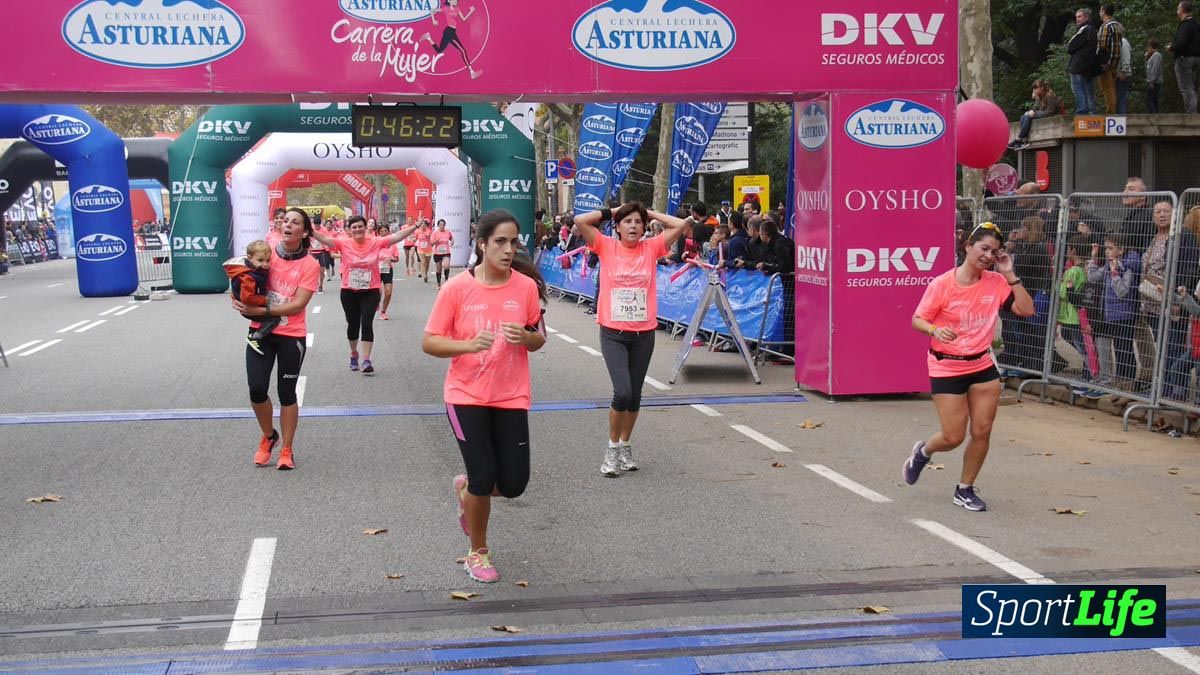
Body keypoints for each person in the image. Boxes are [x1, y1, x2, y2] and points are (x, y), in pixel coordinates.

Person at [422, 209, 546, 583]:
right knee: (483, 475)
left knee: (513, 484)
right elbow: (430, 342)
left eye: (514, 242)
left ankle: (467, 493)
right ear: (482, 244)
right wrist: (466, 345)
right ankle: (477, 552)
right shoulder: (456, 288)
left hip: (511, 395)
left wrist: (527, 338)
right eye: (500, 242)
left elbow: (539, 337)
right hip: (465, 395)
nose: (508, 250)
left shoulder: (525, 287)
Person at [904, 222, 1036, 511]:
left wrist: (1010, 274)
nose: (988, 256)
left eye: (994, 251)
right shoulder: (942, 284)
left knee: (982, 430)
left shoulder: (997, 282)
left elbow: (1026, 310)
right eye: (984, 248)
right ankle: (923, 451)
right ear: (968, 247)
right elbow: (917, 319)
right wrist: (935, 330)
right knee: (953, 437)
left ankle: (964, 489)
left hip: (982, 365)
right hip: (947, 366)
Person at [573, 202, 688, 476]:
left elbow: (681, 224)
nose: (633, 226)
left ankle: (625, 444)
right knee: (622, 392)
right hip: (613, 333)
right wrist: (616, 211)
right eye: (627, 222)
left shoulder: (652, 247)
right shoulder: (606, 246)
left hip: (643, 334)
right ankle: (612, 448)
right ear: (617, 227)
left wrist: (648, 213)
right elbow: (580, 221)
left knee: (635, 395)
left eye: (638, 222)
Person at [233, 208, 322, 471]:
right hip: (261, 332)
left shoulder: (310, 264)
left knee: (286, 393)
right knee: (257, 389)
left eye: (295, 222)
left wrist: (263, 311)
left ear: (304, 232)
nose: (288, 225)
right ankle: (269, 436)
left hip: (290, 335)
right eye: (285, 221)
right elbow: (241, 273)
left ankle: (287, 448)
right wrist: (236, 296)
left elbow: (297, 305)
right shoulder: (267, 250)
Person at [311, 215, 419, 375]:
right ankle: (354, 353)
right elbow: (324, 239)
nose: (357, 229)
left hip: (371, 291)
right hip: (349, 291)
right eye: (354, 227)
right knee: (353, 325)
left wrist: (415, 226)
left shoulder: (375, 242)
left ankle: (366, 360)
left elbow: (397, 237)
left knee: (367, 323)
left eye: (360, 226)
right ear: (349, 230)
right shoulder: (343, 243)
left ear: (365, 227)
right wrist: (308, 228)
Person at [1087, 234, 1141, 389]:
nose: (1106, 251)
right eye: (1106, 248)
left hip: (1124, 314)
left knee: (1125, 348)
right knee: (1118, 348)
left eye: (1110, 248)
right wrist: (1093, 257)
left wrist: (1114, 273)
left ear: (1121, 250)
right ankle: (1120, 381)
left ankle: (1128, 382)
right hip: (1110, 313)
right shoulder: (1108, 264)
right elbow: (1092, 277)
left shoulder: (1127, 267)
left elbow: (1122, 291)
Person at [224, 240, 282, 356]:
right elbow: (247, 298)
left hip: (247, 303)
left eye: (268, 260)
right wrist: (265, 300)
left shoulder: (253, 270)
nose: (265, 264)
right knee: (275, 318)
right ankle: (256, 337)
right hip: (247, 307)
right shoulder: (249, 277)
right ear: (249, 258)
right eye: (260, 260)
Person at [419, 0, 483, 79]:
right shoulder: (446, 9)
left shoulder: (457, 9)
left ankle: (428, 37)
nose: (456, 0)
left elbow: (463, 19)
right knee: (463, 51)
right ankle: (472, 72)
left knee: (439, 50)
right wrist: (433, 20)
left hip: (451, 32)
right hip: (449, 32)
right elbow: (432, 10)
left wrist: (471, 11)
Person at [1008, 81, 1061, 151]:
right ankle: (1023, 141)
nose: (1034, 90)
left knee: (1028, 116)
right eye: (1033, 89)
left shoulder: (1049, 95)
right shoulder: (1038, 96)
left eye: (1036, 88)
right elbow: (1035, 108)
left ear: (1042, 87)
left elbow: (1050, 112)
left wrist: (1034, 112)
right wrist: (1031, 110)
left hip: (1051, 115)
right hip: (1043, 113)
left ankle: (1019, 139)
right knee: (1024, 116)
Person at [1068, 7, 1100, 114]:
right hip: (1088, 66)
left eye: (1079, 17)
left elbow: (1071, 46)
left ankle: (1082, 112)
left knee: (1078, 89)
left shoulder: (1085, 29)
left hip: (1079, 65)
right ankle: (1092, 113)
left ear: (1086, 17)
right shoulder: (1093, 30)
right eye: (1076, 17)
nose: (1077, 19)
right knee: (1088, 90)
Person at [1171, 1, 1200, 113]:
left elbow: (1181, 43)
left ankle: (1191, 114)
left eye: (1178, 8)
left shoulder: (1185, 25)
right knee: (1192, 86)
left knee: (1186, 87)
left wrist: (1172, 47)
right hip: (1196, 58)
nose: (1177, 11)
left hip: (1184, 58)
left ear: (1182, 10)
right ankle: (1193, 112)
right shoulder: (1197, 24)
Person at [1096, 4, 1124, 114]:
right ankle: (1112, 110)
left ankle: (1110, 113)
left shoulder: (1106, 26)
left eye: (1100, 11)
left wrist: (1100, 61)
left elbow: (1102, 46)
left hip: (1105, 63)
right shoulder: (1118, 26)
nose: (1099, 13)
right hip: (1115, 62)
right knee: (1111, 88)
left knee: (1107, 89)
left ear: (1103, 12)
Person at [377, 224, 400, 320]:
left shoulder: (392, 244)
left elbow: (397, 259)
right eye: (381, 231)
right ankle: (376, 302)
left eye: (385, 231)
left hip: (387, 269)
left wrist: (392, 259)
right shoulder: (375, 242)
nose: (384, 233)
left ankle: (383, 312)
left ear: (388, 232)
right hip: (376, 270)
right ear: (379, 233)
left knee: (388, 292)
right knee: (378, 292)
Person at [431, 218, 455, 288]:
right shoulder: (435, 233)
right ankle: (439, 284)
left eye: (443, 225)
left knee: (446, 266)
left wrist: (452, 241)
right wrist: (436, 241)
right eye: (440, 225)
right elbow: (431, 244)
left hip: (446, 252)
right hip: (437, 253)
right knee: (439, 269)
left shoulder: (448, 232)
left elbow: (451, 238)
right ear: (438, 225)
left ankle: (446, 281)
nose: (442, 226)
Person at [1147, 38, 1165, 113]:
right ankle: (1156, 115)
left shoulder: (1156, 55)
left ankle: (1154, 116)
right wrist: (1147, 57)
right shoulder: (1153, 56)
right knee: (1154, 100)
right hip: (1154, 81)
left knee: (1150, 100)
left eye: (1148, 47)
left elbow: (1155, 69)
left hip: (1155, 82)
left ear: (1151, 47)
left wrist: (1151, 81)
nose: (1147, 49)